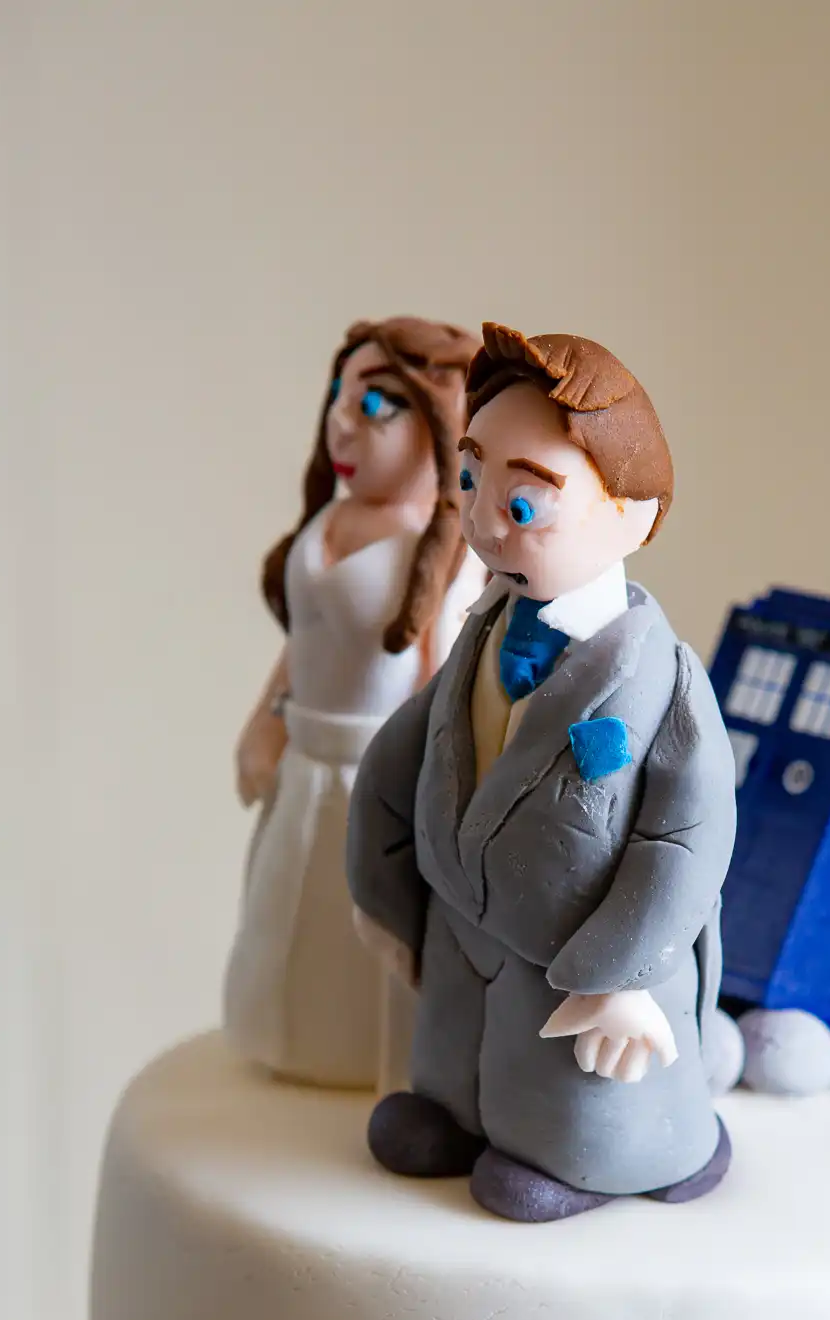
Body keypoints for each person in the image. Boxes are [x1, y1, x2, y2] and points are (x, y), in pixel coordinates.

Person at [348, 323, 737, 1222]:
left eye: (524, 505)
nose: (484, 523)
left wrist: (624, 978)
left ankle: (597, 1161)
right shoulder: (483, 628)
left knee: (577, 1097)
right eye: (471, 481)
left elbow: (687, 839)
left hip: (583, 976)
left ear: (632, 514)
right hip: (461, 933)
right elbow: (409, 748)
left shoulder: (664, 683)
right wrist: (382, 887)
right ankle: (458, 1114)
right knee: (456, 1055)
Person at [224, 316, 485, 1089]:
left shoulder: (446, 549)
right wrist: (264, 721)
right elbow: (305, 641)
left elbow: (448, 684)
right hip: (305, 763)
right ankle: (287, 1041)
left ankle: (374, 1063)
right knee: (287, 915)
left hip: (381, 779)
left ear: (443, 423)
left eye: (376, 405)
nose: (343, 422)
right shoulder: (327, 521)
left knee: (361, 933)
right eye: (341, 396)